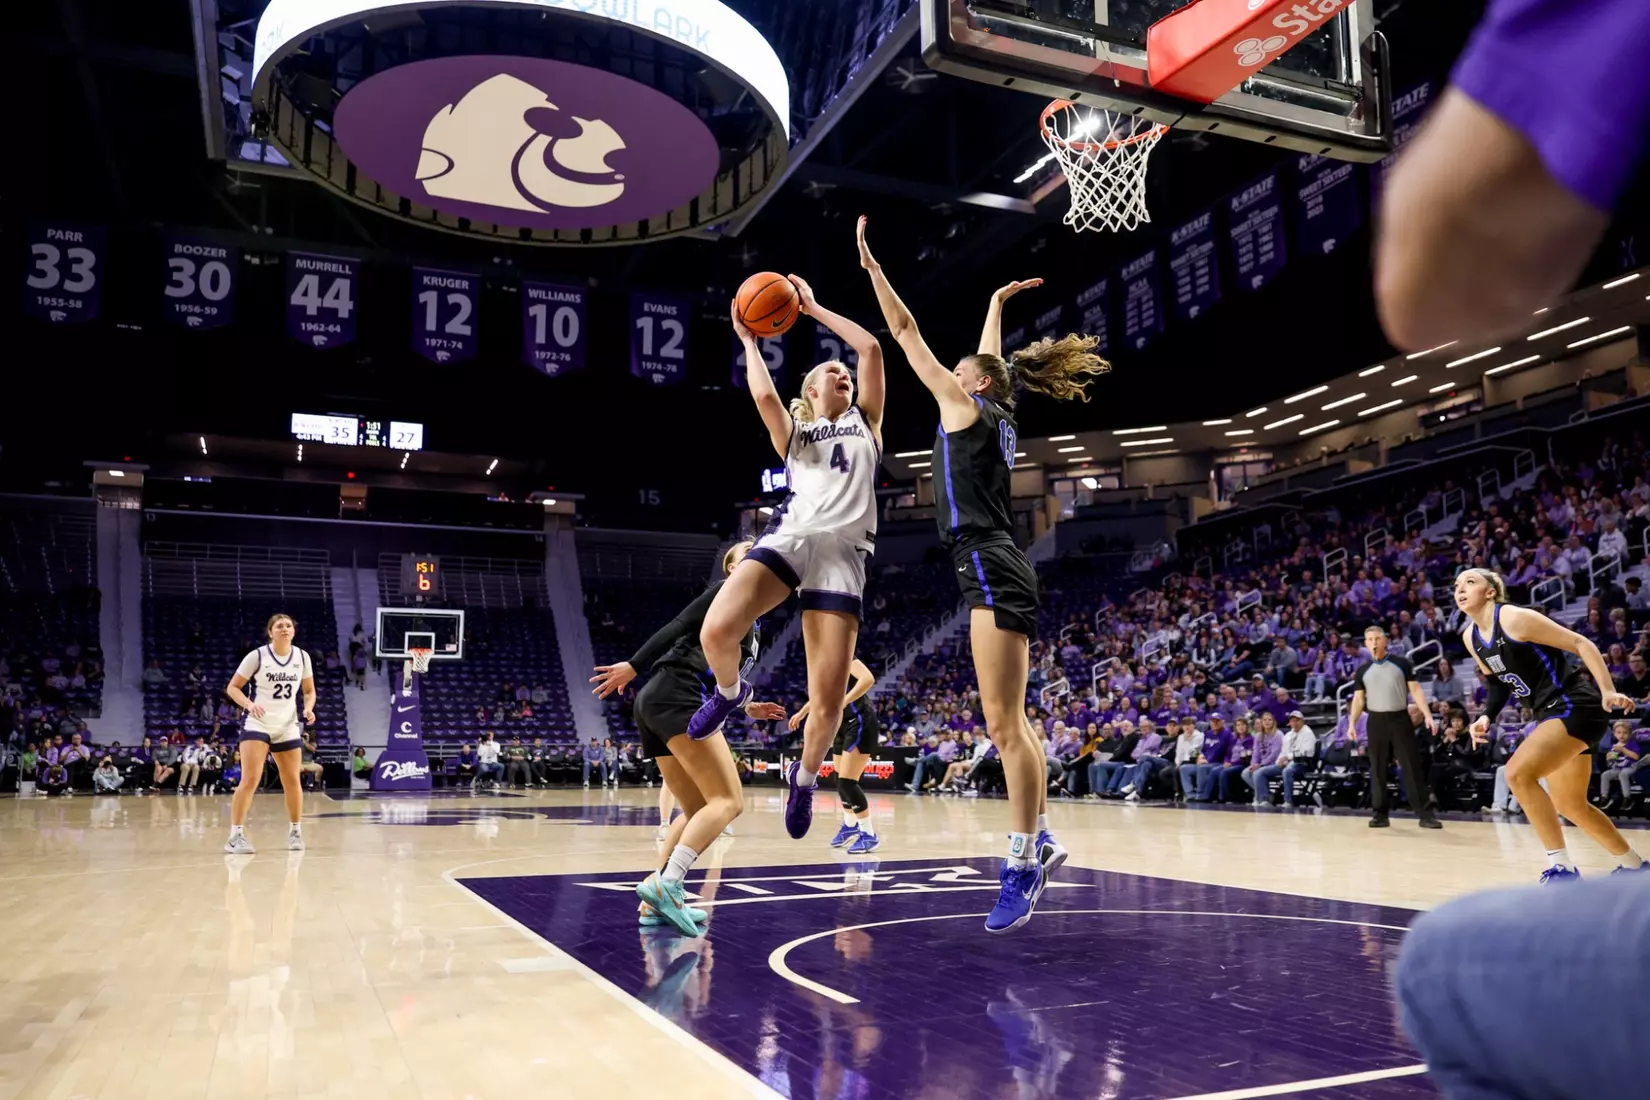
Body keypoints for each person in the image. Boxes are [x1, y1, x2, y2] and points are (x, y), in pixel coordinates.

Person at [860, 215, 1107, 932]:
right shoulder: (996, 409)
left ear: (971, 383)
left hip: (989, 562)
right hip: (995, 560)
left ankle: (1023, 861)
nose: (954, 368)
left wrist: (873, 268)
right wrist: (996, 307)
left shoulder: (967, 402)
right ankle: (1043, 838)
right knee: (1013, 724)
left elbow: (905, 332)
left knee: (1002, 728)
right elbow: (991, 359)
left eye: (962, 366)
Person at [683, 273, 884, 852]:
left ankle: (802, 778)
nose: (840, 372)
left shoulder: (866, 423)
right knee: (717, 628)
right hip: (793, 536)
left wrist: (814, 307)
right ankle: (728, 692)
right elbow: (764, 397)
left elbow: (869, 347)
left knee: (825, 704)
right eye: (828, 372)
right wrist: (748, 341)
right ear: (810, 391)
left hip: (844, 559)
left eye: (842, 373)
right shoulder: (795, 436)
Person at [590, 540, 787, 937]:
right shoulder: (726, 593)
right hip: (675, 695)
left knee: (697, 808)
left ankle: (654, 902)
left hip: (660, 700)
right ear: (731, 570)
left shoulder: (754, 623)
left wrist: (748, 707)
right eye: (747, 552)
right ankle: (669, 883)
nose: (757, 554)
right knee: (729, 801)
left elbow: (720, 676)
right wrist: (633, 664)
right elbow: (679, 626)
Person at [1457, 568, 1645, 880]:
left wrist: (1607, 689)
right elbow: (1498, 684)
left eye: (1470, 582)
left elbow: (1580, 643)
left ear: (1490, 591)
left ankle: (1562, 868)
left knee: (1518, 774)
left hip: (1574, 704)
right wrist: (1486, 716)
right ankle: (1636, 867)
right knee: (1571, 805)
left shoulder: (1514, 618)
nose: (1461, 589)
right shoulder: (1470, 638)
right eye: (1457, 585)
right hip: (1551, 714)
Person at [223, 613, 317, 854]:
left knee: (292, 780)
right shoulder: (257, 656)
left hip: (287, 724)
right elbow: (233, 688)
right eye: (279, 626)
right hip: (258, 723)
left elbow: (308, 691)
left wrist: (308, 707)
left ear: (293, 631)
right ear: (270, 632)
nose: (285, 628)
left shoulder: (302, 657)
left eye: (288, 625)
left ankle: (295, 832)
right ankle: (235, 836)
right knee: (251, 779)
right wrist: (249, 705)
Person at [1347, 625, 1442, 830]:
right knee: (1378, 768)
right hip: (1376, 721)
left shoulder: (1402, 664)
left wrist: (1427, 715)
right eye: (1369, 639)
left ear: (1385, 640)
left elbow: (1416, 690)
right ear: (1365, 643)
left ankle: (1425, 814)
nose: (1374, 642)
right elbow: (1358, 700)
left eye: (1377, 638)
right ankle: (1380, 814)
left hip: (1400, 719)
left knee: (1411, 766)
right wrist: (1352, 724)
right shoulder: (1363, 671)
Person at [792, 657, 882, 854]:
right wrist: (802, 712)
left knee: (848, 782)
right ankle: (850, 824)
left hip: (860, 722)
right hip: (841, 725)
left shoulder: (845, 656)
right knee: (839, 780)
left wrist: (843, 701)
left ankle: (869, 834)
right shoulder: (822, 664)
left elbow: (868, 679)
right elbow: (821, 696)